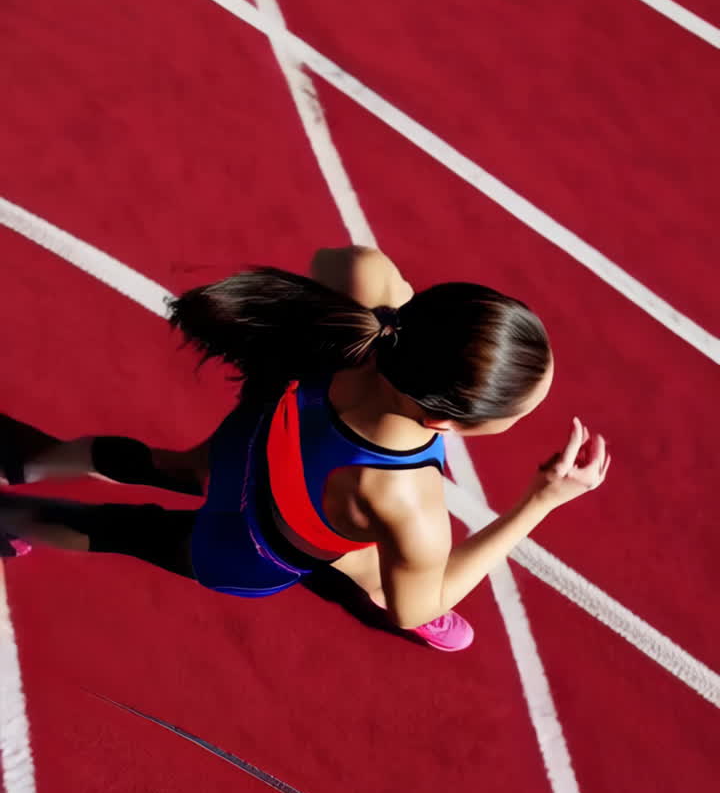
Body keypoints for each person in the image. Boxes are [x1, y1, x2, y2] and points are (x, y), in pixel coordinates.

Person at [0, 246, 609, 651]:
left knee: (172, 468)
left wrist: (414, 318)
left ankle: (27, 462)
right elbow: (413, 608)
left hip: (259, 436)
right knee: (127, 532)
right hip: (251, 546)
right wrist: (538, 503)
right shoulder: (408, 503)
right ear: (441, 420)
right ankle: (8, 516)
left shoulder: (370, 296)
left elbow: (333, 258)